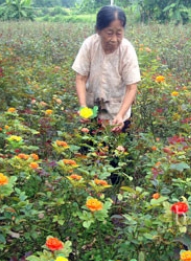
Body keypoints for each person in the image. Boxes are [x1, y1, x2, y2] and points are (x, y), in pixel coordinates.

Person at [72, 5, 141, 184]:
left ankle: (114, 198)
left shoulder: (127, 50)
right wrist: (82, 107)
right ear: (98, 30)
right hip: (93, 108)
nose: (114, 39)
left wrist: (120, 116)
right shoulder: (89, 45)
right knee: (89, 151)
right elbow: (80, 78)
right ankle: (87, 192)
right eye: (109, 32)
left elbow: (131, 87)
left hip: (119, 110)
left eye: (119, 33)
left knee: (115, 160)